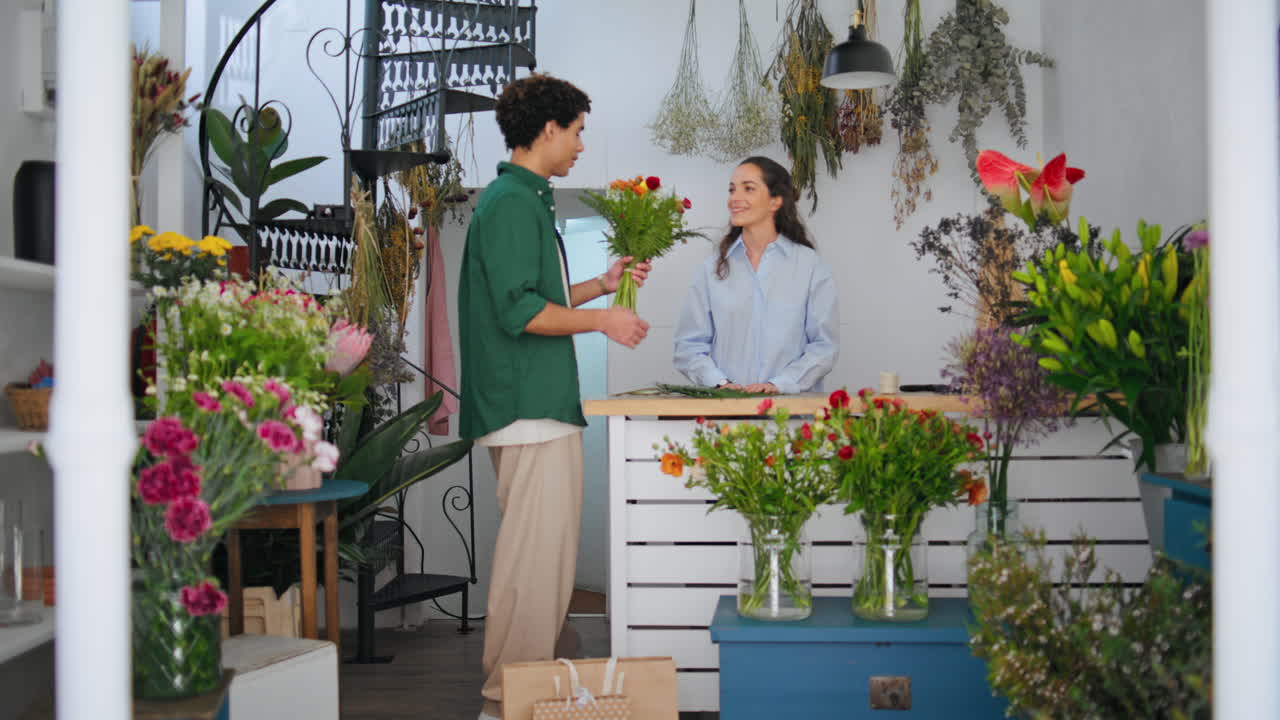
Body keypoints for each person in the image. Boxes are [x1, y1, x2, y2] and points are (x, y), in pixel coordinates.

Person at [457, 74, 652, 720]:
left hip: (534, 406)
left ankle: (531, 689)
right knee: (534, 567)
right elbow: (520, 311)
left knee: (544, 563)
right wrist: (605, 321)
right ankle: (503, 702)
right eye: (577, 131)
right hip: (529, 408)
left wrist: (602, 284)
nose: (581, 145)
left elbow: (534, 296)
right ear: (549, 129)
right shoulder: (513, 203)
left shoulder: (520, 200)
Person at [673, 156, 839, 394]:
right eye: (732, 189)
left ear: (775, 201)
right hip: (728, 410)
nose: (734, 198)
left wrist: (778, 385)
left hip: (791, 411)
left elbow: (824, 347)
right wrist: (720, 384)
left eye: (748, 188)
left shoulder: (810, 266)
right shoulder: (712, 269)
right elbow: (689, 346)